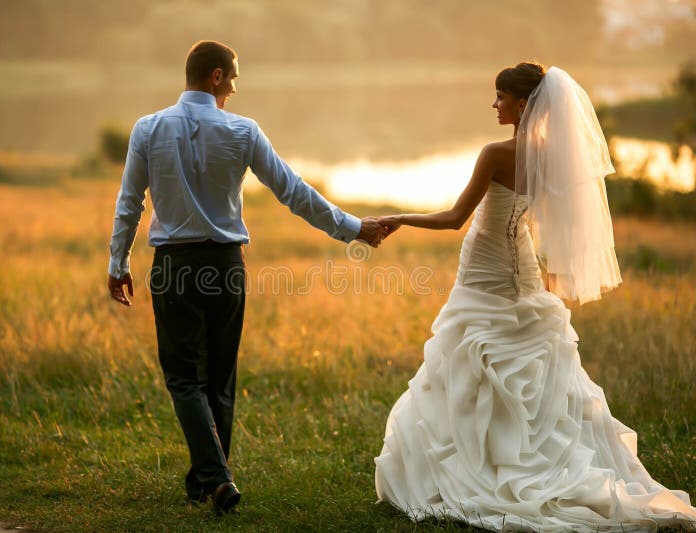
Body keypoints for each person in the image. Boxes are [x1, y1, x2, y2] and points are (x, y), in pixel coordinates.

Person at [373, 62, 696, 531]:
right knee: (522, 361)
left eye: (501, 96)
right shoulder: (553, 154)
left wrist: (399, 217)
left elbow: (455, 217)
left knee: (470, 358)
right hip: (521, 265)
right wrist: (547, 279)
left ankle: (479, 469)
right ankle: (524, 456)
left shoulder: (495, 153)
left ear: (523, 104)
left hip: (485, 268)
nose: (495, 104)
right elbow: (550, 225)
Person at [106, 40, 387, 515]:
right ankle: (209, 481)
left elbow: (129, 202)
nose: (235, 88)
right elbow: (293, 191)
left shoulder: (148, 128)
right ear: (215, 76)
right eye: (232, 78)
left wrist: (118, 263)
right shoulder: (242, 131)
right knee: (219, 378)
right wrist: (353, 228)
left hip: (174, 268)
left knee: (184, 379)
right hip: (226, 268)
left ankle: (214, 479)